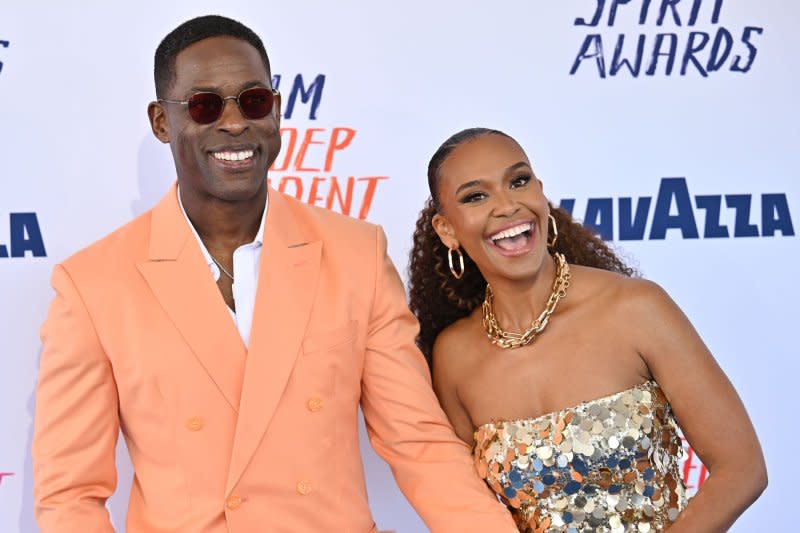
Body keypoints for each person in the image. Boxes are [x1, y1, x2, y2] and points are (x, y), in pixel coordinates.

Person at [32, 17, 518, 533]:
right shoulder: (93, 285)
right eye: (204, 105)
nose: (236, 123)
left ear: (277, 112)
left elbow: (419, 445)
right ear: (160, 122)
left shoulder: (354, 255)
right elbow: (69, 496)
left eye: (254, 100)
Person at [408, 127, 767, 532]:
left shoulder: (636, 308)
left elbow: (742, 469)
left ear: (540, 194)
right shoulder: (453, 355)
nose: (507, 205)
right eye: (476, 196)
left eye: (519, 181)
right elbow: (464, 508)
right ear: (447, 229)